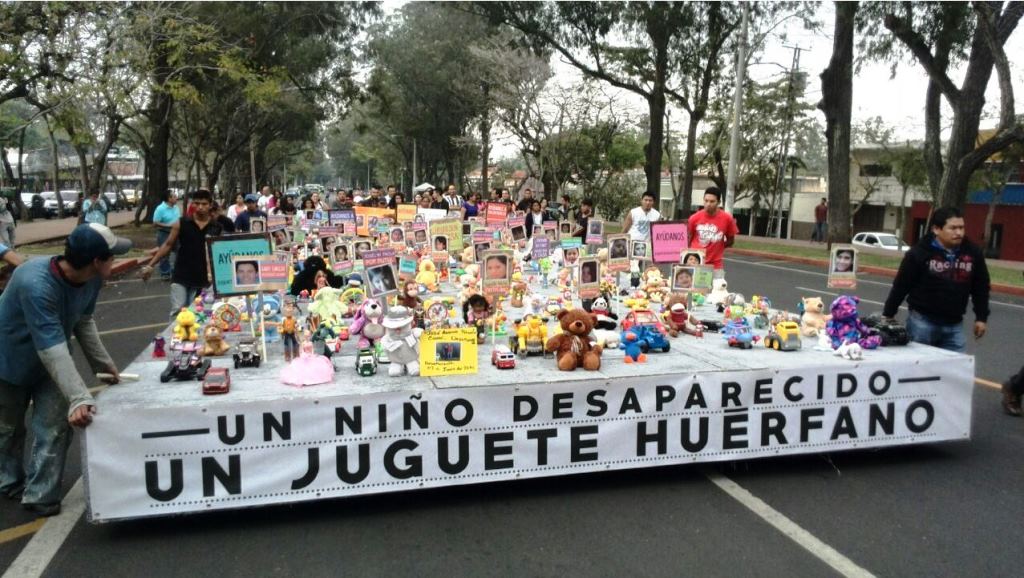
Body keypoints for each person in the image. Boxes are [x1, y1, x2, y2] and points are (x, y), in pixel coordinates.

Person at [0, 223, 129, 516]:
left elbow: (83, 320)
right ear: (97, 261)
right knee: (8, 429)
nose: (116, 261)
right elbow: (50, 348)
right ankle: (8, 480)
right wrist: (79, 396)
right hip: (8, 360)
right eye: (112, 256)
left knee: (54, 426)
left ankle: (40, 492)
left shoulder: (93, 279)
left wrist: (102, 364)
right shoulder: (35, 282)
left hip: (51, 364)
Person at [882, 206, 989, 354]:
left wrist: (981, 317)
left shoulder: (973, 253)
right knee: (918, 369)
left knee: (954, 370)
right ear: (937, 229)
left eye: (961, 228)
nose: (959, 232)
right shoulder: (919, 253)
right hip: (922, 323)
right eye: (953, 228)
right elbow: (901, 285)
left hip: (954, 325)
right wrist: (888, 314)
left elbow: (981, 287)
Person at [141, 189, 224, 318]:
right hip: (181, 275)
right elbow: (167, 245)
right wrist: (150, 265)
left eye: (204, 204)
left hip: (203, 278)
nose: (200, 207)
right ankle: (172, 338)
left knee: (197, 313)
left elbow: (219, 253)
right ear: (192, 204)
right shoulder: (181, 223)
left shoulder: (216, 227)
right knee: (178, 311)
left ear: (210, 205)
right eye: (197, 203)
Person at [687, 187, 738, 278]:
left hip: (716, 265)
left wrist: (719, 245)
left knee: (717, 291)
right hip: (696, 264)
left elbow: (731, 240)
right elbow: (688, 240)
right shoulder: (694, 218)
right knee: (695, 292)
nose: (708, 204)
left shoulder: (727, 219)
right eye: (706, 201)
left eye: (712, 201)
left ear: (718, 202)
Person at [152, 189, 181, 281]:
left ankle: (177, 272)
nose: (176, 198)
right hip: (164, 233)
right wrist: (168, 225)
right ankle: (165, 273)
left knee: (179, 252)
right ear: (169, 199)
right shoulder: (160, 209)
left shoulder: (176, 207)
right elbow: (155, 223)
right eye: (174, 196)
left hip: (176, 233)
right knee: (164, 254)